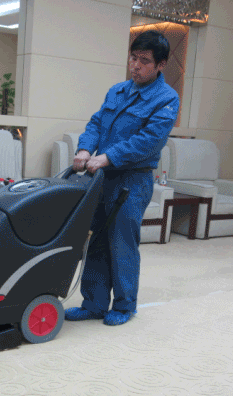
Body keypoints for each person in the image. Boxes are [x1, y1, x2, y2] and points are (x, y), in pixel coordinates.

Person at [65, 30, 180, 326]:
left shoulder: (166, 99)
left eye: (144, 61)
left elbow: (149, 140)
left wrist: (107, 157)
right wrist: (85, 148)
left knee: (121, 243)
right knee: (96, 240)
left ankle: (124, 306)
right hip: (101, 178)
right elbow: (96, 123)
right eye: (133, 58)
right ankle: (93, 304)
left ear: (161, 65)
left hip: (132, 181)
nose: (135, 66)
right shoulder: (117, 91)